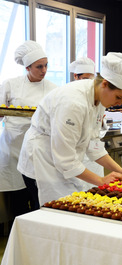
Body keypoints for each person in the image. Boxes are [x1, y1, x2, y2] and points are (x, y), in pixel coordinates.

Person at [17, 52, 122, 206]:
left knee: (68, 207)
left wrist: (120, 170)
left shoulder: (99, 98)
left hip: (62, 159)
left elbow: (94, 144)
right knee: (51, 212)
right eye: (118, 97)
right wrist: (101, 180)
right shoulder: (73, 103)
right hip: (43, 159)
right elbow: (65, 160)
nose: (119, 103)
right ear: (104, 84)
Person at [0, 40, 57, 215]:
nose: (44, 70)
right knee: (17, 197)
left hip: (38, 149)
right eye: (39, 67)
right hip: (13, 146)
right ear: (27, 68)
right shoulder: (10, 85)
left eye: (46, 65)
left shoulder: (53, 88)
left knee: (38, 196)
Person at [70, 57, 107, 180]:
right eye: (86, 79)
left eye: (92, 79)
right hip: (75, 157)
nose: (89, 83)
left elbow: (98, 130)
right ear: (76, 76)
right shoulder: (70, 98)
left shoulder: (98, 98)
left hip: (94, 154)